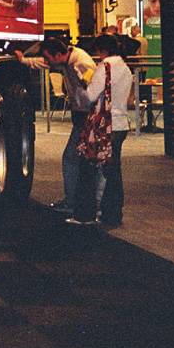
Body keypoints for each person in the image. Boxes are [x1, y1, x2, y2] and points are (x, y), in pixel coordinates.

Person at [15, 38, 97, 214]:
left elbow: (92, 91)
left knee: (71, 158)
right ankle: (81, 201)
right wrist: (24, 60)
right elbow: (42, 63)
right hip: (83, 115)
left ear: (58, 54)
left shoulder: (81, 64)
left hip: (86, 116)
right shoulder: (68, 59)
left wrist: (82, 105)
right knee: (80, 158)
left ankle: (74, 202)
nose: (47, 62)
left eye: (49, 57)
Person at [68, 34, 133, 226]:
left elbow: (90, 96)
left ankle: (85, 214)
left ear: (102, 50)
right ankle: (112, 214)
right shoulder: (125, 68)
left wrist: (80, 87)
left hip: (104, 126)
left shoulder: (105, 67)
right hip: (120, 124)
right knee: (113, 171)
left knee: (87, 166)